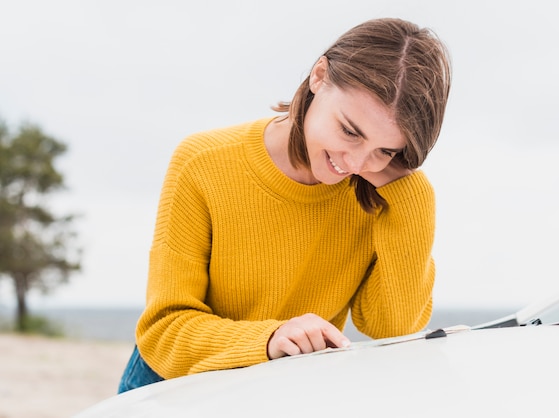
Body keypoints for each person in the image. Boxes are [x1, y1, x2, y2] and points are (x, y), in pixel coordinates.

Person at [118, 17, 451, 393]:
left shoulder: (380, 194)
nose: (356, 165)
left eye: (386, 150)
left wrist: (412, 195)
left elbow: (393, 328)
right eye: (349, 131)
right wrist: (270, 338)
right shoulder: (203, 163)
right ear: (319, 76)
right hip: (172, 388)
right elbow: (163, 331)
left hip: (285, 394)